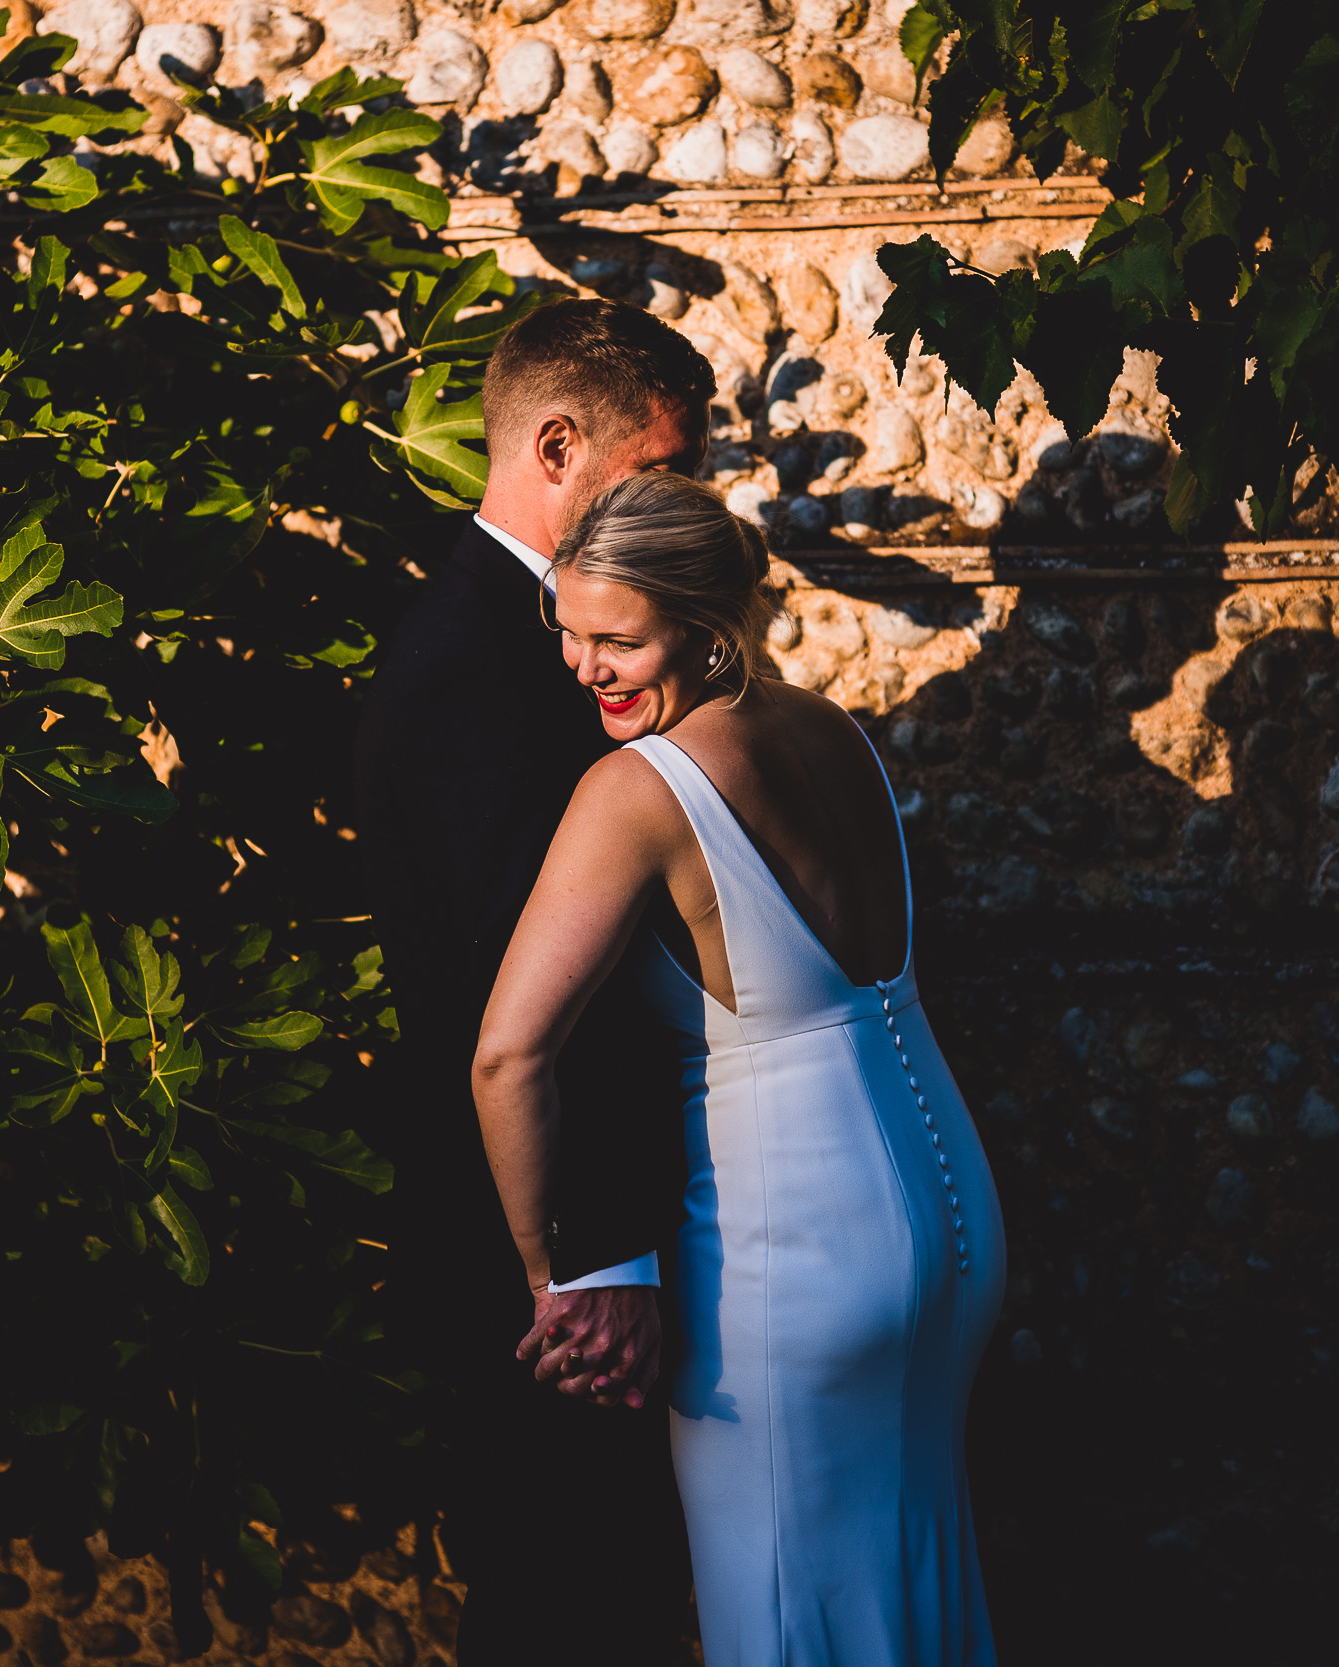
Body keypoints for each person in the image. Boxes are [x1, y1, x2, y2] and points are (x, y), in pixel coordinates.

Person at [472, 471, 1006, 1665]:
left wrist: (551, 1273)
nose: (586, 668)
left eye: (619, 638)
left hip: (793, 1254)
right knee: (907, 1579)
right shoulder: (836, 734)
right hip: (951, 1216)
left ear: (707, 630)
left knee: (779, 1611)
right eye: (567, 632)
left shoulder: (635, 791)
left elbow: (509, 1053)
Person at [353, 299, 713, 1661]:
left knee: (603, 1595)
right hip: (543, 1264)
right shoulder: (476, 670)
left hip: (567, 1245)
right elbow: (526, 1010)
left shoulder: (531, 637)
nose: (680, 504)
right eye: (659, 469)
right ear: (557, 444)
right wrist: (595, 1256)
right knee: (570, 1601)